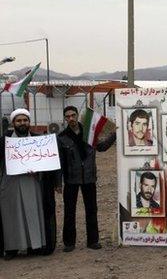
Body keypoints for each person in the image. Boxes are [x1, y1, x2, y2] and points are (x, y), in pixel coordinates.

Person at [0, 109, 61, 260]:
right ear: (13, 123)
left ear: (29, 122)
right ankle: (12, 249)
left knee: (33, 214)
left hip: (33, 184)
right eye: (19, 121)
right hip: (10, 184)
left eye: (25, 120)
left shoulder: (39, 140)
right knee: (12, 216)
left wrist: (41, 172)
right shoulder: (4, 141)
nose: (22, 123)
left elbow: (49, 162)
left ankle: (34, 246)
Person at [57, 106, 116, 252]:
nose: (71, 118)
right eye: (68, 116)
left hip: (89, 177)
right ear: (65, 119)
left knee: (92, 210)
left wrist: (114, 135)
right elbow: (60, 162)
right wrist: (58, 182)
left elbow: (101, 147)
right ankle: (69, 243)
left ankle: (93, 241)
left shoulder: (89, 132)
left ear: (77, 115)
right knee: (69, 211)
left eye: (73, 115)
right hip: (71, 179)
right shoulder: (62, 137)